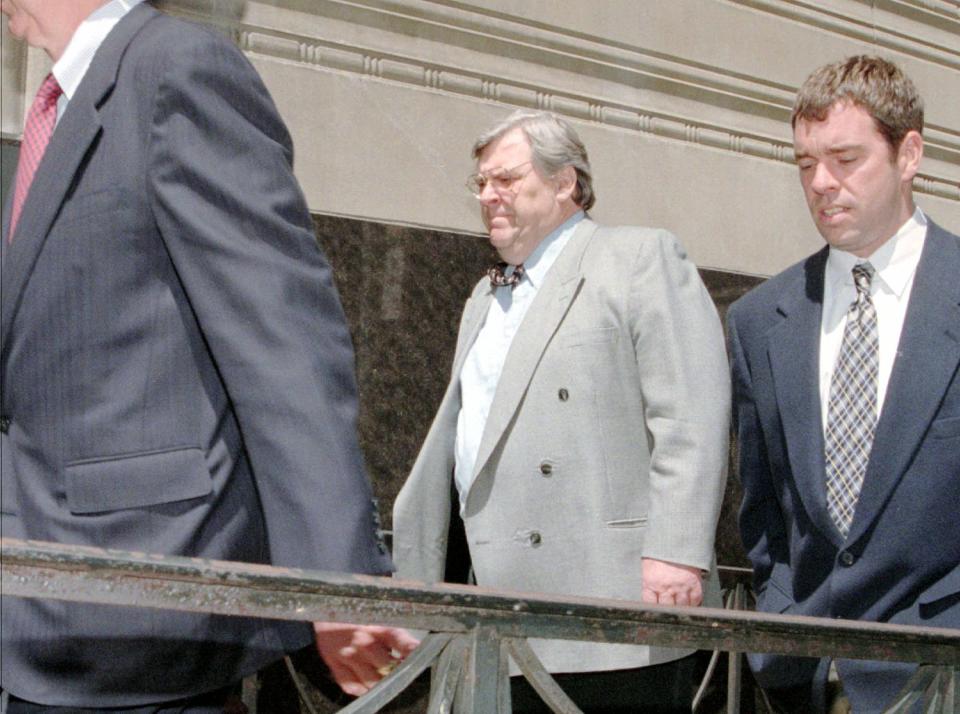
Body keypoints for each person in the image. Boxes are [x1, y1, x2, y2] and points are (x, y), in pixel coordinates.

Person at [0, 0, 415, 709]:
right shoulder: (57, 107)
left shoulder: (176, 70)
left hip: (142, 607)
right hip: (41, 602)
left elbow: (281, 337)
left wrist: (335, 582)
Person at [388, 110, 730, 712]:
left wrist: (676, 552)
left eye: (506, 179)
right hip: (492, 607)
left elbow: (691, 418)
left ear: (565, 181)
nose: (489, 195)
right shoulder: (482, 296)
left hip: (612, 611)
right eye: (481, 183)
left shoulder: (639, 257)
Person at [727, 55, 960, 713]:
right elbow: (765, 517)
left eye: (846, 159)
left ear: (908, 153)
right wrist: (781, 634)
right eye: (805, 165)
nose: (822, 183)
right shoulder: (759, 321)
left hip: (943, 674)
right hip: (807, 678)